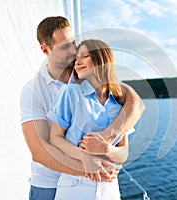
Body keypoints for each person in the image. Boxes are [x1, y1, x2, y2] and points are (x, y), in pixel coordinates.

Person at [20, 16, 144, 200]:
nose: (73, 52)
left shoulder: (88, 78)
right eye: (64, 47)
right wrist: (87, 165)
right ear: (46, 50)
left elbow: (136, 102)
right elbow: (40, 150)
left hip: (98, 183)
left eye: (73, 44)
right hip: (49, 184)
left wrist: (107, 139)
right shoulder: (33, 90)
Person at [49, 39, 132, 200]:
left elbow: (124, 153)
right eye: (76, 58)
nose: (77, 62)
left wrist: (108, 150)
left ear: (102, 60)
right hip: (75, 185)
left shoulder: (118, 103)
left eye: (84, 56)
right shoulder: (70, 92)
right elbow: (55, 138)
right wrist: (84, 156)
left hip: (110, 187)